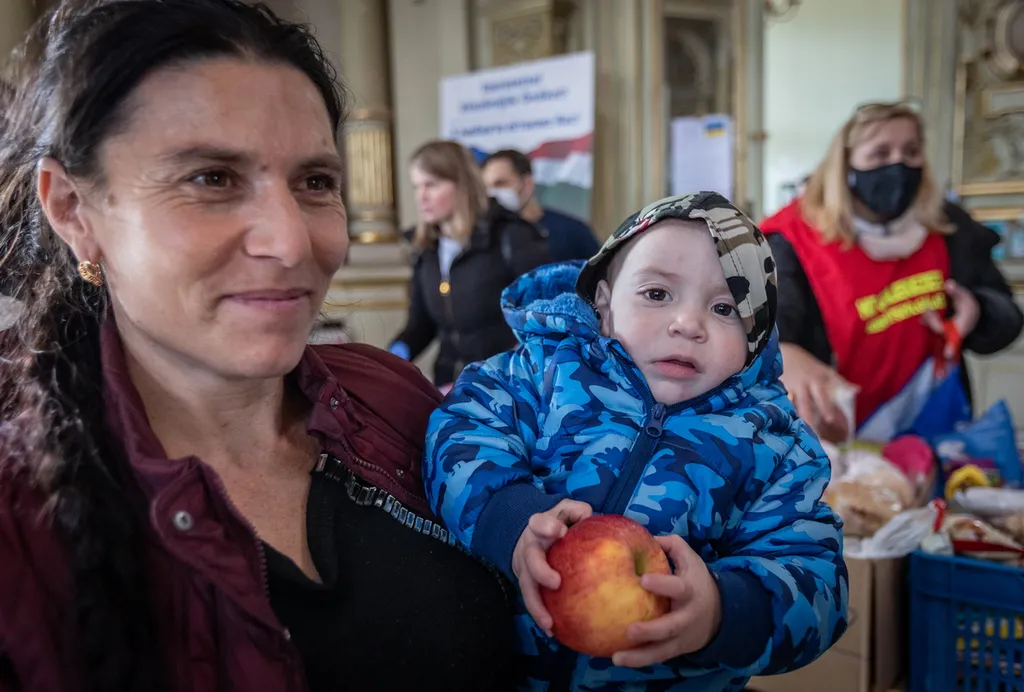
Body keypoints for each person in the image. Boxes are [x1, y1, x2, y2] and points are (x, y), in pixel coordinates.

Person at [0, 2, 521, 690]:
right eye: (211, 179)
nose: (290, 242)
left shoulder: (390, 400)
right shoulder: (21, 531)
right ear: (72, 209)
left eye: (314, 182)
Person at [423, 192, 848, 691]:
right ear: (603, 303)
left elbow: (818, 579)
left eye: (723, 306)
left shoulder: (774, 447)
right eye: (657, 294)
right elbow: (461, 427)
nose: (687, 323)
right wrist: (510, 519)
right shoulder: (543, 371)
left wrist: (720, 609)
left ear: (755, 338)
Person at [760, 102, 1024, 442]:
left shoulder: (948, 226)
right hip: (832, 434)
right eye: (880, 153)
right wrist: (785, 352)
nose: (898, 165)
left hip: (932, 428)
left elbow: (1008, 317)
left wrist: (977, 313)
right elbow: (759, 331)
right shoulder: (791, 239)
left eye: (911, 152)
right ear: (846, 165)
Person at [389, 140, 551, 388]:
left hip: (507, 389)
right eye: (417, 186)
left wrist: (494, 379)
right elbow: (420, 326)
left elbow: (543, 323)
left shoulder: (511, 236)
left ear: (462, 185)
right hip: (448, 387)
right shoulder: (426, 251)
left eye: (431, 185)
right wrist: (391, 358)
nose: (421, 197)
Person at [482, 148, 600, 262]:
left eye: (501, 183)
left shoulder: (572, 232)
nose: (491, 194)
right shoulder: (486, 239)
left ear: (527, 184)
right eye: (486, 187)